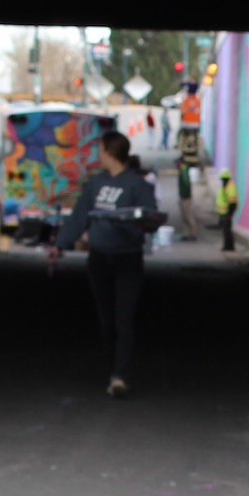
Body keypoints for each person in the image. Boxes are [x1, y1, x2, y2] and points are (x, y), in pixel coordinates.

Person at [50, 130, 162, 397]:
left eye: (100, 150)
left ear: (111, 153)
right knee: (106, 321)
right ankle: (113, 368)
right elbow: (79, 217)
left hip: (127, 259)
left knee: (123, 319)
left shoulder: (137, 185)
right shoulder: (96, 184)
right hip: (99, 260)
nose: (98, 155)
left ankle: (119, 376)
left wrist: (142, 224)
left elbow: (151, 219)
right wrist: (60, 244)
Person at [215, 168, 239, 253]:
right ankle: (228, 246)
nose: (223, 180)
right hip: (223, 212)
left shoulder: (230, 187)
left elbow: (232, 203)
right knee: (226, 230)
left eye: (223, 179)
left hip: (227, 212)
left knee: (227, 230)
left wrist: (230, 213)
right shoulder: (224, 186)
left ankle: (229, 246)